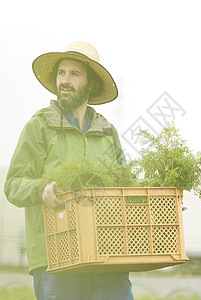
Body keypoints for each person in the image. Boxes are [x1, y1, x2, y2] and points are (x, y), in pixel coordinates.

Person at [4, 42, 134, 300]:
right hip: (56, 258)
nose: (65, 80)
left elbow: (124, 188)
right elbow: (12, 186)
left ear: (91, 84)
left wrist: (154, 197)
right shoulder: (39, 126)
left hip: (107, 255)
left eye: (74, 74)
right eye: (61, 73)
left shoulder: (107, 132)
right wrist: (42, 189)